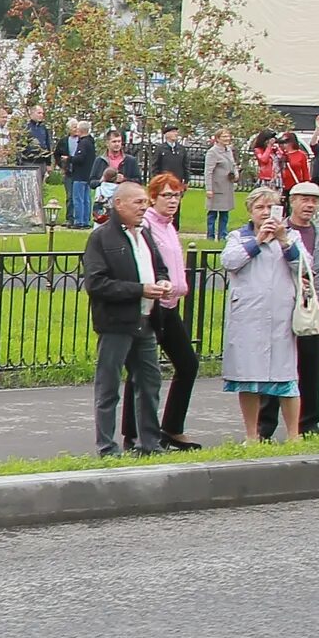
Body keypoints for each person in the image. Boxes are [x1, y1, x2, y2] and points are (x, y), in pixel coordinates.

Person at [81, 178, 167, 457]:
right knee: (109, 386)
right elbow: (96, 283)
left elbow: (159, 267)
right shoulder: (102, 237)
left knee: (149, 383)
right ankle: (107, 446)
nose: (145, 207)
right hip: (116, 323)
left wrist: (162, 282)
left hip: (146, 320)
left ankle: (150, 444)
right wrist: (139, 289)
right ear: (119, 204)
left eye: (146, 202)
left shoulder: (144, 234)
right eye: (138, 202)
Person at [219, 187, 307, 443]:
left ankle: (293, 435)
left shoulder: (292, 236)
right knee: (247, 377)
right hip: (249, 317)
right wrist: (258, 241)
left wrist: (283, 241)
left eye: (271, 208)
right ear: (250, 211)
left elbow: (305, 266)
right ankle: (251, 435)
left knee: (286, 378)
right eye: (260, 208)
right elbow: (230, 261)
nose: (266, 213)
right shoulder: (238, 236)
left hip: (280, 317)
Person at [257, 180, 319, 440]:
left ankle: (308, 424)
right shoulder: (278, 230)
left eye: (313, 201)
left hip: (313, 310)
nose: (309, 205)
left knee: (310, 370)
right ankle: (265, 426)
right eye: (303, 199)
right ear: (292, 201)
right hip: (281, 309)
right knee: (276, 368)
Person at [137, 171, 201, 450]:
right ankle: (134, 433)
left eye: (177, 195)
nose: (173, 200)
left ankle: (172, 427)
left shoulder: (169, 226)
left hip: (171, 305)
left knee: (188, 364)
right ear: (153, 198)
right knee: (143, 368)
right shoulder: (147, 226)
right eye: (167, 195)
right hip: (152, 305)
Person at [200, 127, 240, 244]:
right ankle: (210, 237)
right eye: (224, 136)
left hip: (227, 187)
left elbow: (233, 164)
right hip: (216, 188)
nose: (227, 139)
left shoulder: (229, 150)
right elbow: (208, 171)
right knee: (212, 214)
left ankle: (223, 236)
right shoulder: (213, 152)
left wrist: (235, 175)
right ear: (217, 139)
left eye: (228, 136)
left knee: (225, 213)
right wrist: (209, 189)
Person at [58, 119, 100, 227]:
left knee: (78, 198)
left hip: (80, 175)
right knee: (86, 198)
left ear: (80, 130)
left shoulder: (83, 143)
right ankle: (86, 220)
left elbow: (80, 158)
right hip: (88, 175)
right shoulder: (91, 142)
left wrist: (69, 158)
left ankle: (79, 221)